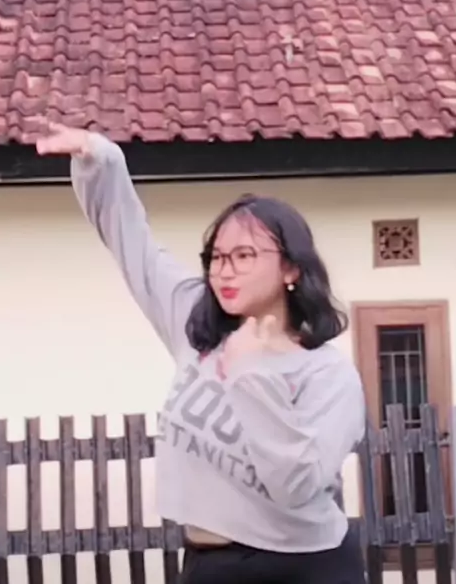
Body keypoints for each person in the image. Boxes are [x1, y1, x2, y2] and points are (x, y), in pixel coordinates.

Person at [36, 123, 366, 584]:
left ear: (291, 267)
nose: (224, 271)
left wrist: (252, 375)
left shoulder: (327, 374)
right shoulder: (196, 323)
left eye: (244, 256)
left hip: (306, 566)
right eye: (216, 257)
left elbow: (296, 486)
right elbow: (134, 246)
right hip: (209, 562)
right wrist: (101, 159)